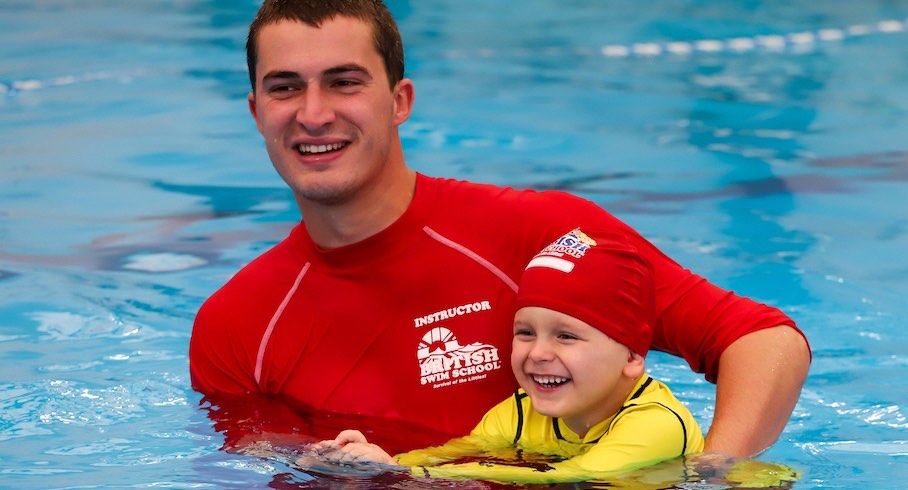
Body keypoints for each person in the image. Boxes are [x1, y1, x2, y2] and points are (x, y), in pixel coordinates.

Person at [189, 0, 810, 460]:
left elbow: (764, 341)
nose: (314, 113)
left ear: (400, 100)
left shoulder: (539, 235)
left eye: (345, 82)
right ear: (256, 111)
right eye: (284, 88)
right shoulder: (237, 327)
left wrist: (715, 473)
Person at [306, 228, 705, 483]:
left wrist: (413, 472)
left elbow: (577, 474)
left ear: (634, 355)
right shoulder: (520, 411)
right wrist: (381, 460)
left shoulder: (657, 423)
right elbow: (460, 450)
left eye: (566, 336)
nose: (538, 353)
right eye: (525, 333)